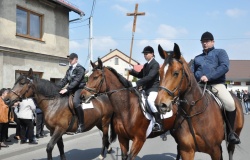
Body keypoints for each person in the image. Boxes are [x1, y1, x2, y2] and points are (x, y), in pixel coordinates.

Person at [190, 31, 240, 144]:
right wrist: (196, 77)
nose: (204, 43)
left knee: (230, 104)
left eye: (207, 41)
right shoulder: (197, 58)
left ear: (213, 42)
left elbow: (224, 66)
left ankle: (231, 132)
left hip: (216, 84)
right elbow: (191, 72)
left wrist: (209, 76)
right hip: (199, 86)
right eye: (202, 42)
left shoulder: (220, 52)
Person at [125, 46, 162, 132]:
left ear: (152, 54)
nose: (145, 56)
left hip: (153, 89)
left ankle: (158, 122)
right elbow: (140, 75)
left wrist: (137, 83)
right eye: (144, 54)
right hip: (145, 89)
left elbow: (150, 77)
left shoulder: (155, 64)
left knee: (150, 101)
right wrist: (131, 70)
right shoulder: (146, 65)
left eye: (146, 54)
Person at [57, 53, 86, 133]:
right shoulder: (69, 69)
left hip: (79, 88)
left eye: (71, 59)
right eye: (69, 59)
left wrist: (67, 89)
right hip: (71, 88)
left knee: (76, 102)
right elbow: (65, 80)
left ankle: (81, 124)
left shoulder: (81, 69)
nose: (70, 60)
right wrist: (56, 87)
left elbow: (77, 81)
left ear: (76, 59)